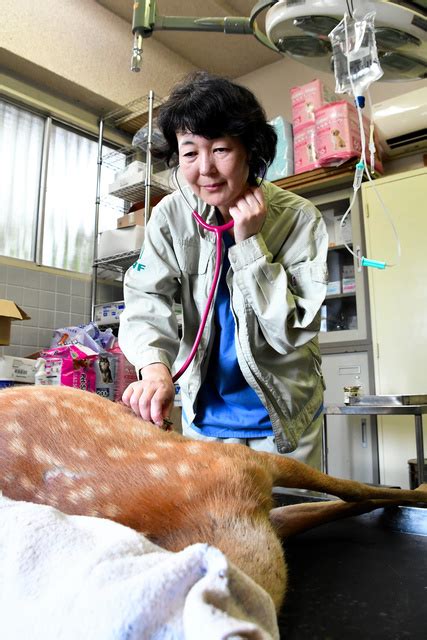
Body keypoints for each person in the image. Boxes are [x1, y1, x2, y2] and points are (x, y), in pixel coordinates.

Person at [119, 71, 328, 469]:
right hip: (207, 417)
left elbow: (291, 332)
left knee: (285, 524)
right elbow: (146, 297)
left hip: (282, 418)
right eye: (190, 152)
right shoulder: (170, 217)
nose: (205, 169)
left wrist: (250, 246)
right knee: (214, 525)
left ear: (250, 150)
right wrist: (154, 369)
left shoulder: (301, 219)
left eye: (219, 149)